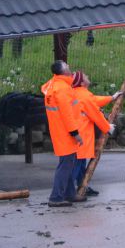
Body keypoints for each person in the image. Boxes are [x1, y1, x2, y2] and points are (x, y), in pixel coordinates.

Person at [41, 60, 85, 207]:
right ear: (62, 71)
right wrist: (75, 133)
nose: (69, 66)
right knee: (66, 165)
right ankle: (56, 197)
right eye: (66, 66)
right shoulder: (63, 89)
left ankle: (69, 194)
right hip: (66, 133)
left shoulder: (53, 86)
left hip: (59, 131)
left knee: (68, 164)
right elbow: (67, 115)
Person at [71, 71, 120, 196]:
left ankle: (82, 186)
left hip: (78, 132)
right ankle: (71, 190)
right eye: (86, 76)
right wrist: (107, 127)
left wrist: (112, 97)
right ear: (82, 82)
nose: (88, 77)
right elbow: (95, 114)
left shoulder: (79, 93)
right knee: (77, 165)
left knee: (79, 163)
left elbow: (94, 100)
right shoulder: (84, 96)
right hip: (82, 133)